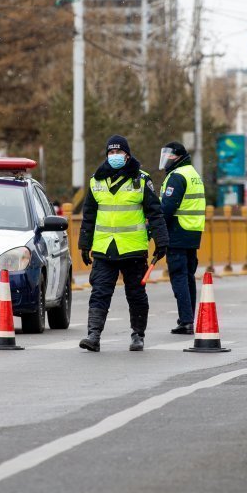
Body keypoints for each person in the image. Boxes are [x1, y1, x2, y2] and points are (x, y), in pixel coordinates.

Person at [77, 135, 168, 352]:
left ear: (127, 155)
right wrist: (85, 244)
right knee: (99, 292)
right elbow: (88, 215)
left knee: (136, 294)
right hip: (104, 248)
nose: (115, 156)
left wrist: (162, 241)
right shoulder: (96, 181)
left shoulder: (141, 180)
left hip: (133, 249)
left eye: (119, 153)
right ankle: (94, 335)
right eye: (111, 153)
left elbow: (155, 213)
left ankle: (138, 335)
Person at [157, 141, 205, 335]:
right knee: (188, 277)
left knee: (178, 276)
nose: (166, 161)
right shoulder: (193, 174)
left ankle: (185, 320)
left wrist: (155, 227)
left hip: (177, 231)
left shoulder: (177, 176)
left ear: (176, 157)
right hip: (192, 232)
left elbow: (167, 208)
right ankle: (189, 318)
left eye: (169, 157)